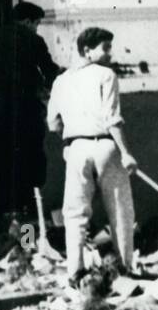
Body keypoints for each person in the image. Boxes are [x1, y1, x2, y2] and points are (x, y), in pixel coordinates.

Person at [46, 27, 139, 285]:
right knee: (120, 210)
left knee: (74, 213)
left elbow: (53, 123)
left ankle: (74, 272)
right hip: (106, 147)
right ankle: (126, 267)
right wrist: (127, 153)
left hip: (75, 149)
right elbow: (112, 118)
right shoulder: (106, 75)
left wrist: (69, 141)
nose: (110, 53)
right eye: (105, 48)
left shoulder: (60, 81)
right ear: (87, 50)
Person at [0, 1, 61, 215]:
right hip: (26, 109)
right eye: (37, 23)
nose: (36, 28)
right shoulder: (33, 39)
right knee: (29, 159)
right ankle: (26, 213)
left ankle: (3, 214)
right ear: (27, 21)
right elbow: (50, 73)